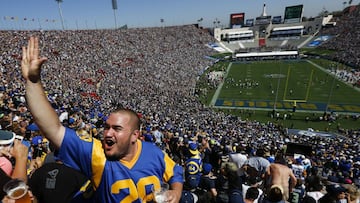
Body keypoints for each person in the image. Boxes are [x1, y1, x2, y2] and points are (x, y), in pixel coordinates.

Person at [21, 36, 183, 202]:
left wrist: (176, 192)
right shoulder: (97, 155)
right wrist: (33, 82)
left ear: (135, 135)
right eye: (106, 127)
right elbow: (53, 129)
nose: (107, 133)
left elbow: (175, 172)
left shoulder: (154, 153)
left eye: (117, 128)